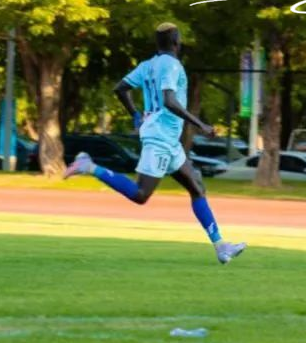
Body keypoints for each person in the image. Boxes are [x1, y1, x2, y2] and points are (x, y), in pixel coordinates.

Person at [63, 22, 246, 264]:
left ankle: (221, 246)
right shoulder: (171, 65)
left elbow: (121, 89)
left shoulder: (147, 66)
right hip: (160, 138)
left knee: (196, 186)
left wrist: (136, 115)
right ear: (176, 42)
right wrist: (199, 124)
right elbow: (169, 101)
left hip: (169, 140)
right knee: (141, 195)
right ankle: (89, 166)